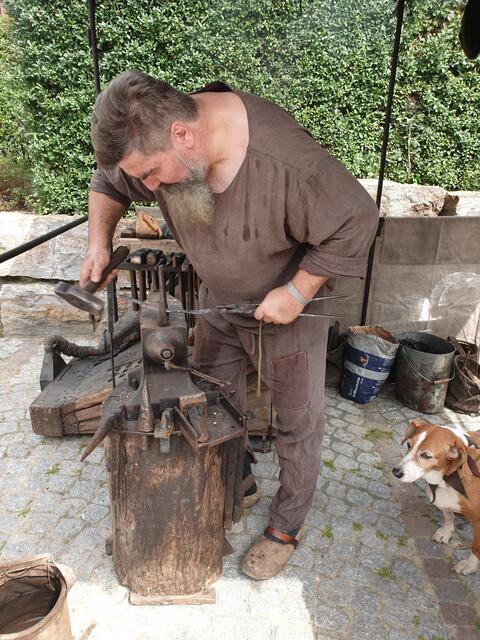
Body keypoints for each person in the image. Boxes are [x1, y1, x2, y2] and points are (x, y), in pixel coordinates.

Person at [82, 70, 378, 580]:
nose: (149, 188)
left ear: (182, 134)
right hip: (219, 303)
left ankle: (286, 524)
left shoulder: (285, 161)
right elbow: (109, 181)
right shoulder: (155, 143)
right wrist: (98, 243)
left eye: (152, 173)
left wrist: (296, 292)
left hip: (287, 312)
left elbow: (357, 220)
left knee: (297, 421)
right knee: (214, 401)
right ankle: (235, 478)